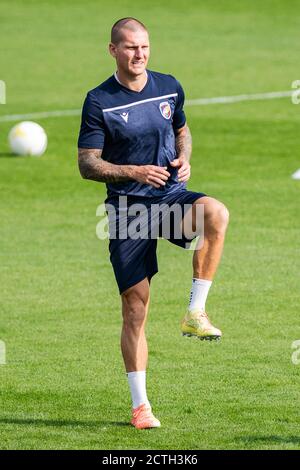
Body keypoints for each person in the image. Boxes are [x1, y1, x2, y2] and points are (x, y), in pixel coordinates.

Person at [77, 17, 229, 430]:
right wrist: (134, 171)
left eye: (144, 46)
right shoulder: (99, 100)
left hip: (169, 197)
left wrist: (184, 156)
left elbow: (182, 129)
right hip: (129, 212)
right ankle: (141, 406)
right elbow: (87, 164)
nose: (139, 54)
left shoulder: (169, 85)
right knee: (135, 309)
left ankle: (195, 312)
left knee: (216, 212)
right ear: (112, 50)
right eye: (129, 47)